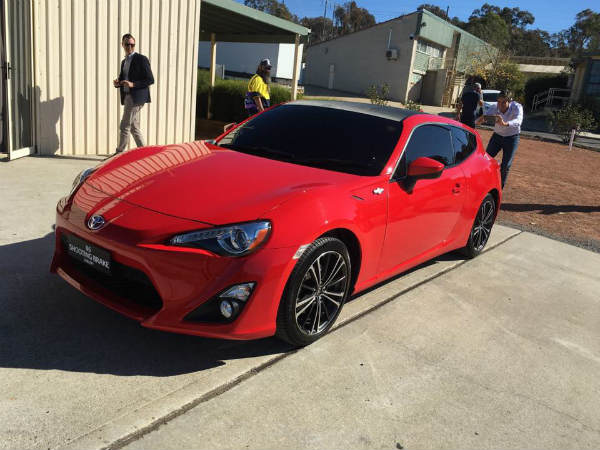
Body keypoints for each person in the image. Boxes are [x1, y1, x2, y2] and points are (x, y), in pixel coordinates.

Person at [113, 33, 154, 153]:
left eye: (132, 45)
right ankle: (144, 152)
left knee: (124, 125)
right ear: (122, 44)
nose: (130, 47)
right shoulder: (124, 62)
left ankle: (119, 153)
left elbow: (150, 79)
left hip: (136, 97)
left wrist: (133, 84)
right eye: (127, 44)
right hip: (127, 96)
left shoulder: (141, 59)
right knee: (133, 127)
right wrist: (118, 83)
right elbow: (123, 78)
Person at [476, 90, 523, 188]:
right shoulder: (495, 106)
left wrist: (505, 123)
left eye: (503, 102)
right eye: (498, 101)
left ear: (509, 101)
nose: (500, 105)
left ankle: (499, 188)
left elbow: (518, 121)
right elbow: (486, 116)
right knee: (486, 159)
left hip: (512, 138)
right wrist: (479, 121)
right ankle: (483, 184)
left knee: (506, 165)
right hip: (497, 136)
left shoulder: (517, 107)